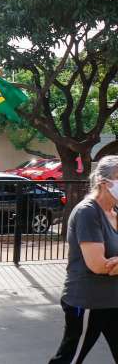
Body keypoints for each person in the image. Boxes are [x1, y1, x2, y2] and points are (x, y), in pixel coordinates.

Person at [49, 155, 118, 363]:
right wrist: (109, 264)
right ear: (103, 182)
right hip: (88, 301)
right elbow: (98, 265)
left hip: (112, 301)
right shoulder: (88, 213)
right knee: (71, 357)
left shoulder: (114, 213)